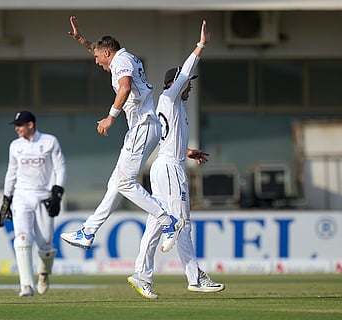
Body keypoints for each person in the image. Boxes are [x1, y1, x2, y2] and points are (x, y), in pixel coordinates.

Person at [60, 16, 183, 253]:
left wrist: (110, 117)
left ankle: (168, 222)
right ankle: (88, 231)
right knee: (116, 183)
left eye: (97, 57)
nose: (96, 62)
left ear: (107, 53)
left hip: (143, 126)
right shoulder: (121, 58)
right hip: (144, 128)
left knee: (125, 183)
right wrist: (81, 40)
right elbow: (103, 56)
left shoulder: (121, 62)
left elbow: (125, 86)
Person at [127, 20, 225, 299]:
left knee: (158, 221)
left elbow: (166, 138)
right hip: (169, 169)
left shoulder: (175, 106)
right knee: (181, 221)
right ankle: (194, 277)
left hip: (166, 164)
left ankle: (141, 274)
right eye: (186, 84)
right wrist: (200, 45)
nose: (189, 87)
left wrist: (187, 152)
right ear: (174, 84)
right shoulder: (169, 97)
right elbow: (185, 73)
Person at [0, 110, 66, 297]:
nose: (17, 129)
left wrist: (58, 192)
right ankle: (26, 285)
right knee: (22, 238)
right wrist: (6, 198)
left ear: (31, 125)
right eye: (16, 125)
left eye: (20, 125)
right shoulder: (15, 146)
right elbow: (11, 172)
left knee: (46, 245)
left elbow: (60, 167)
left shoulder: (49, 142)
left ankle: (44, 273)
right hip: (22, 195)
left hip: (44, 196)